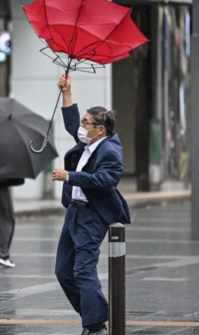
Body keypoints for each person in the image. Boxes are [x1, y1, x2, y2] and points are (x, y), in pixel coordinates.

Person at [51, 74, 131, 335]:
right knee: (63, 271)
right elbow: (72, 122)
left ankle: (95, 325)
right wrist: (67, 93)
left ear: (101, 130)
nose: (81, 127)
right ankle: (95, 314)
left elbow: (106, 180)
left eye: (87, 123)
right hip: (74, 211)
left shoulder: (110, 150)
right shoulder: (87, 141)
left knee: (83, 271)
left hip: (92, 216)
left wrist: (70, 176)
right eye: (84, 121)